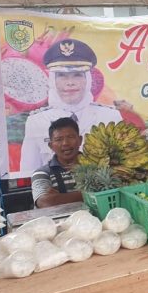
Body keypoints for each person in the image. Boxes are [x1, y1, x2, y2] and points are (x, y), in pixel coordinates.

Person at [21, 39, 122, 173]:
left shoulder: (110, 116)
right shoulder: (36, 121)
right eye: (62, 76)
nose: (70, 83)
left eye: (77, 75)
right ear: (52, 81)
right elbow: (29, 171)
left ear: (87, 80)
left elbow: (123, 164)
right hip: (56, 190)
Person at [31, 117, 83, 208]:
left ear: (80, 140)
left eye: (70, 137)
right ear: (51, 145)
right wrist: (91, 194)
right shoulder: (42, 173)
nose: (65, 143)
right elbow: (45, 203)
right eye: (59, 139)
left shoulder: (96, 167)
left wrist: (59, 197)